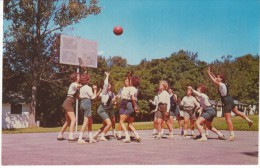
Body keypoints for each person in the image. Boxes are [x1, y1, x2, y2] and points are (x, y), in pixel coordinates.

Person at [207, 67, 253, 141]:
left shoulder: (221, 84)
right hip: (230, 99)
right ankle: (248, 120)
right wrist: (211, 73)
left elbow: (214, 81)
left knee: (228, 118)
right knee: (236, 112)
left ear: (221, 79)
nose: (217, 78)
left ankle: (232, 135)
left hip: (226, 101)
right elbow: (215, 78)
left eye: (218, 77)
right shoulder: (224, 84)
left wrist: (209, 73)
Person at [77, 73, 101, 144]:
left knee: (90, 122)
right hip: (87, 103)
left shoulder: (81, 88)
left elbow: (80, 96)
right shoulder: (88, 88)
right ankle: (80, 138)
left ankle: (91, 138)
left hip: (82, 103)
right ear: (88, 80)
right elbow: (93, 97)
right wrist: (95, 89)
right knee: (86, 122)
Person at [57, 72, 81, 142]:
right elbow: (78, 86)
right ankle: (71, 137)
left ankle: (60, 135)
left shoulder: (75, 87)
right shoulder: (74, 84)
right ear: (75, 77)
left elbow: (77, 97)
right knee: (74, 119)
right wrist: (83, 85)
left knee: (68, 121)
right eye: (78, 76)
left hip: (68, 102)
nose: (79, 77)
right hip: (68, 102)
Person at [93, 72, 116, 141]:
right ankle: (102, 136)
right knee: (109, 123)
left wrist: (115, 100)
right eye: (107, 85)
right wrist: (107, 76)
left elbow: (113, 101)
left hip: (106, 110)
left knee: (105, 125)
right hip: (102, 109)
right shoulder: (104, 92)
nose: (108, 85)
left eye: (109, 85)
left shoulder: (111, 93)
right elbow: (105, 84)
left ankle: (96, 134)